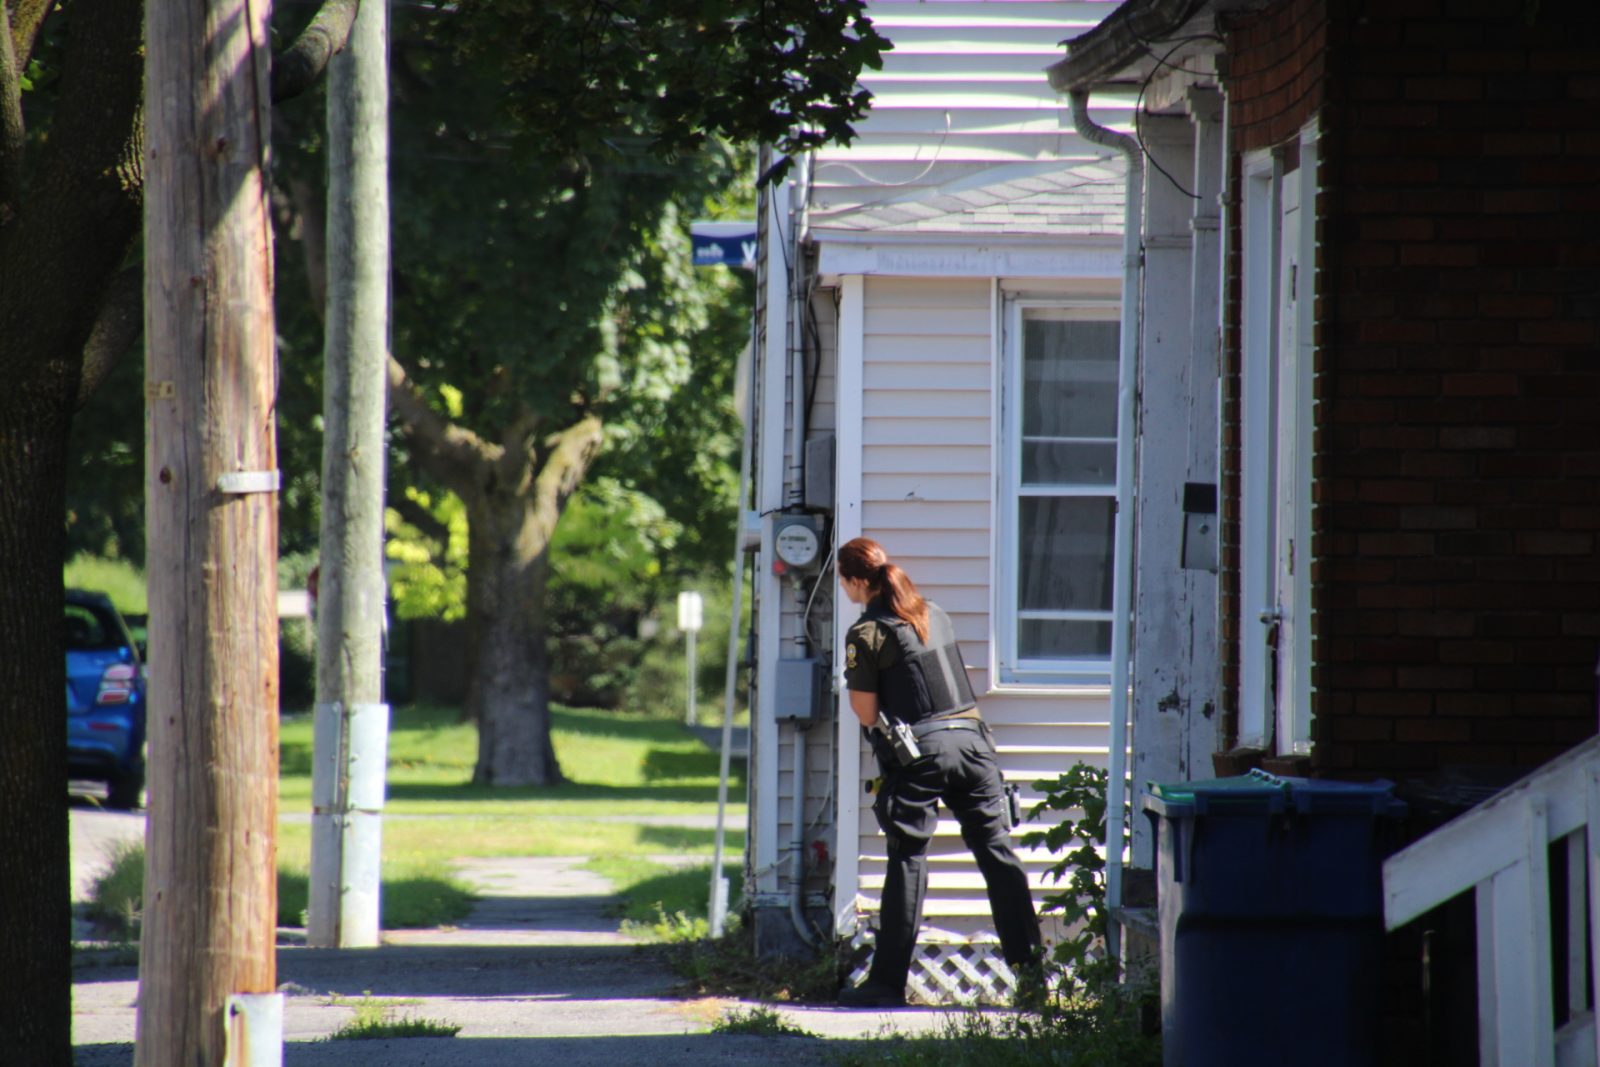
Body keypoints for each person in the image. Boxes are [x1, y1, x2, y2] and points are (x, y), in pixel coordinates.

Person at [835, 536, 1042, 1008]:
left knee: (907, 858)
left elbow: (866, 714)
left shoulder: (866, 633)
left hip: (921, 752)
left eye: (845, 583)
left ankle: (886, 985)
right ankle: (1033, 980)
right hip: (974, 745)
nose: (846, 591)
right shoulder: (934, 612)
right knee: (997, 855)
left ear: (857, 581)